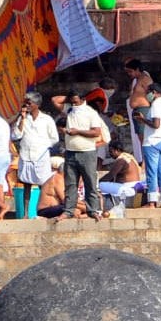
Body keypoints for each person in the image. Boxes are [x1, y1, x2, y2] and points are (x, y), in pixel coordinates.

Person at [60, 90, 107, 222]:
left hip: (87, 152)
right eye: (72, 102)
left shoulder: (91, 113)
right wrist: (68, 98)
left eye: (76, 101)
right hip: (70, 152)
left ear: (82, 99)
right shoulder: (70, 110)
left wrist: (77, 132)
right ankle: (68, 210)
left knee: (90, 183)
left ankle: (93, 210)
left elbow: (96, 132)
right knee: (70, 184)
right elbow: (55, 100)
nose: (74, 104)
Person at [9, 92, 58, 216]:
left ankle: (42, 212)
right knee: (26, 185)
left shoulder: (47, 119)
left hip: (41, 156)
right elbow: (16, 135)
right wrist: (22, 118)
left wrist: (42, 146)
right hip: (26, 155)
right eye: (26, 103)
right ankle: (26, 213)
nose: (27, 105)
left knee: (44, 185)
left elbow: (54, 138)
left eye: (29, 103)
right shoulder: (23, 119)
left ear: (37, 104)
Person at [135, 82, 161, 208]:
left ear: (154, 93)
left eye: (148, 93)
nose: (147, 95)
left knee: (151, 171)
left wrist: (142, 119)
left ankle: (152, 201)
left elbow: (156, 124)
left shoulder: (156, 105)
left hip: (152, 141)